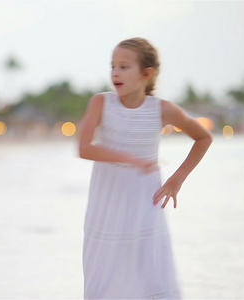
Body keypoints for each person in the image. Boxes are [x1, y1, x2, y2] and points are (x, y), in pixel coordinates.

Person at [78, 37, 212, 299]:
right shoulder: (101, 103)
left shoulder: (162, 110)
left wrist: (177, 179)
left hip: (145, 204)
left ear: (146, 74)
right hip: (106, 206)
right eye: (113, 66)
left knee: (149, 276)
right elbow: (84, 148)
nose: (115, 72)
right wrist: (130, 159)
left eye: (124, 66)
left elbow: (204, 137)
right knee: (103, 278)